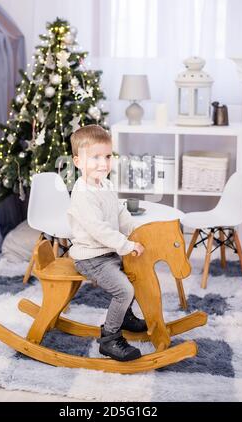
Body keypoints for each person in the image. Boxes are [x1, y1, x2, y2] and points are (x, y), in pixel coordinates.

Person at [67, 124, 147, 362]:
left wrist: (135, 231)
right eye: (95, 158)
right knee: (124, 290)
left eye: (108, 156)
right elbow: (99, 230)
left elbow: (120, 212)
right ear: (78, 161)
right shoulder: (82, 195)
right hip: (91, 257)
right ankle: (110, 338)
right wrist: (126, 245)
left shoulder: (106, 185)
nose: (103, 163)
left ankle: (125, 316)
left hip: (108, 252)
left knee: (133, 274)